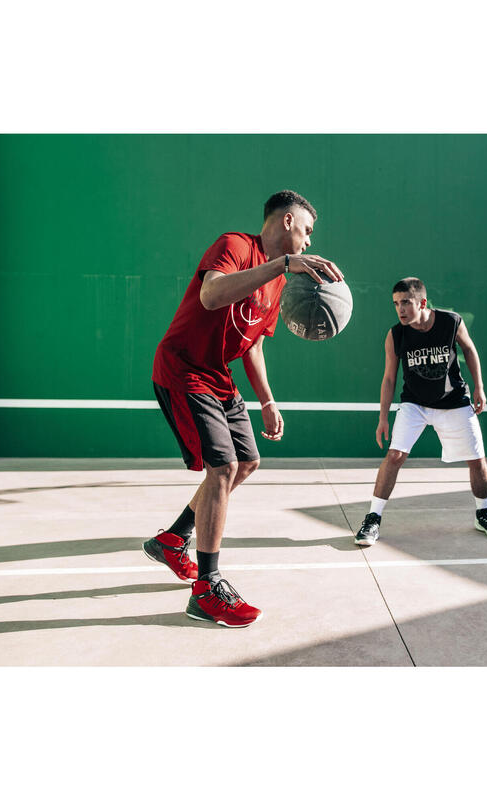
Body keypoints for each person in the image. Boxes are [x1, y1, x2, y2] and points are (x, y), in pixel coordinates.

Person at [144, 190, 343, 627]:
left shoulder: (279, 281)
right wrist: (282, 264)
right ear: (287, 221)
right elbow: (212, 296)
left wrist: (267, 400)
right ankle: (207, 589)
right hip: (184, 369)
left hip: (218, 375)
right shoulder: (235, 246)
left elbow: (252, 345)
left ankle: (173, 539)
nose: (308, 242)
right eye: (307, 231)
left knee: (247, 462)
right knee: (222, 468)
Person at [354, 277, 487, 546]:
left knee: (477, 458)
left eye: (406, 303)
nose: (400, 309)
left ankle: (483, 514)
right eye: (396, 304)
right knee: (395, 455)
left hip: (455, 400)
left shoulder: (451, 322)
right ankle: (372, 519)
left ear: (422, 302)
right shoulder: (396, 334)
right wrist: (382, 417)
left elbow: (470, 350)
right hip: (414, 404)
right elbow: (389, 378)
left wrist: (480, 388)